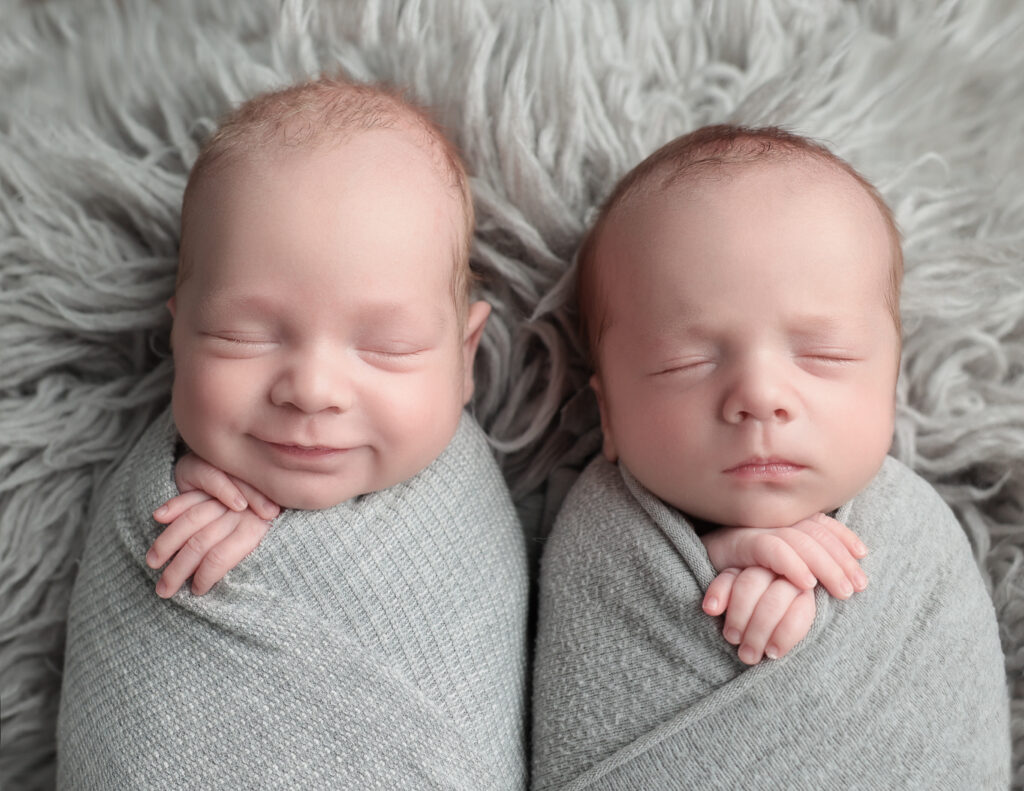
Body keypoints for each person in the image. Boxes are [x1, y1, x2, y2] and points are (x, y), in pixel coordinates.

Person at [57, 77, 531, 790]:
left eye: (388, 346)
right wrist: (167, 501)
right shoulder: (154, 504)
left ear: (464, 360)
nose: (311, 389)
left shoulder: (474, 518)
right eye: (241, 335)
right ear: (178, 332)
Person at [531, 125, 1011, 789]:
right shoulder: (589, 544)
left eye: (823, 355)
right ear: (607, 413)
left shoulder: (919, 546)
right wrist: (708, 581)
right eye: (686, 361)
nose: (759, 396)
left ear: (890, 389)